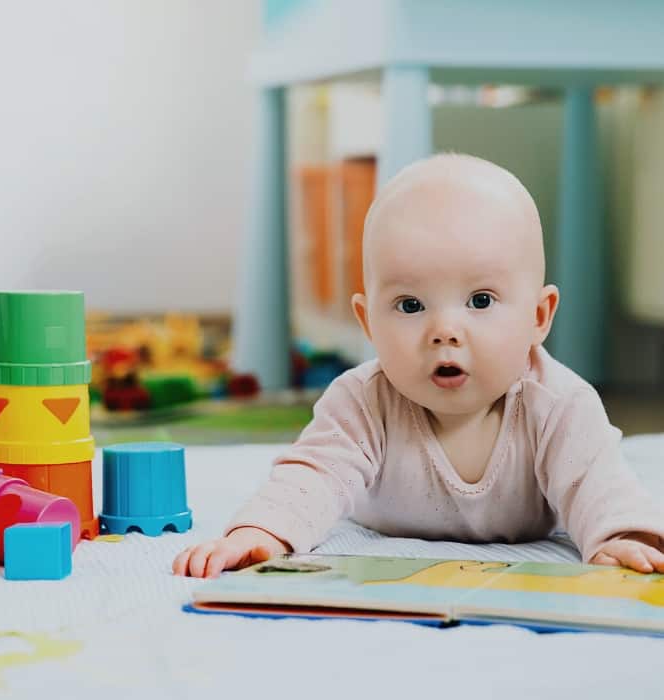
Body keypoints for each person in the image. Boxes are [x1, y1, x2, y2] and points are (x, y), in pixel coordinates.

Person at [174, 153, 664, 578]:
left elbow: (597, 481)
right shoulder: (363, 401)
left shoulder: (559, 404)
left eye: (480, 299)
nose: (444, 330)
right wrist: (263, 531)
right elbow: (313, 474)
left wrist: (621, 536)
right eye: (410, 305)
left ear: (538, 317)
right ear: (368, 322)